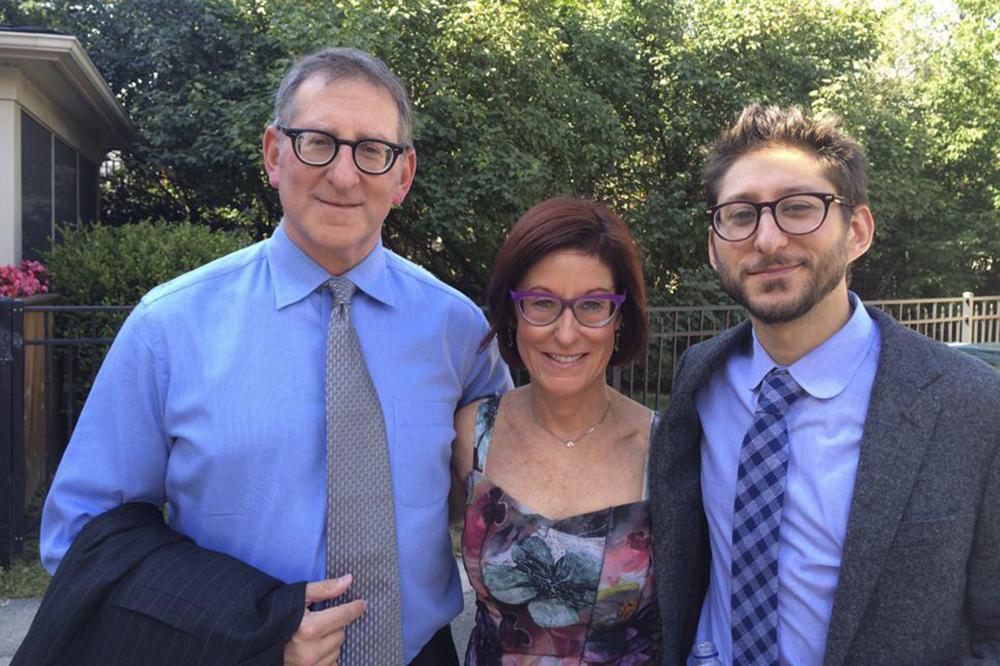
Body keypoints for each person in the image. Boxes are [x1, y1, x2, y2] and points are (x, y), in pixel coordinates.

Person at [40, 47, 511, 665]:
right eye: (318, 141)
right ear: (273, 153)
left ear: (403, 175)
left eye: (372, 150)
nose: (344, 175)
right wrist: (248, 624)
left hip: (418, 653)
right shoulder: (169, 327)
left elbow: (500, 489)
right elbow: (82, 535)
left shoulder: (458, 330)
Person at [649, 105, 1000, 665]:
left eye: (797, 208)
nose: (766, 239)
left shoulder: (971, 404)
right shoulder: (701, 378)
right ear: (715, 243)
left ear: (856, 231)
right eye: (740, 215)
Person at [450, 197, 662, 664]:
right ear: (512, 313)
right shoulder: (471, 436)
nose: (566, 334)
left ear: (620, 317)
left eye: (593, 305)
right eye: (542, 303)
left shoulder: (664, 449)